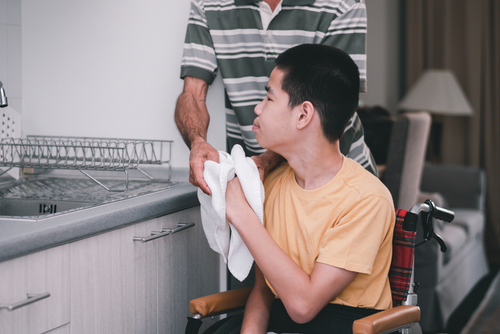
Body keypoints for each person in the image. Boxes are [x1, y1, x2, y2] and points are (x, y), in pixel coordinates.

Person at [221, 44, 395, 333]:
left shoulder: (367, 199)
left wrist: (240, 213)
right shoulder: (273, 184)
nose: (257, 108)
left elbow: (303, 307)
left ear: (303, 115)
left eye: (268, 97)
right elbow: (264, 289)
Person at [175, 0, 377, 197]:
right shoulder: (208, 4)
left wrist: (266, 161)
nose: (257, 109)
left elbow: (334, 102)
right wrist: (197, 142)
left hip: (334, 179)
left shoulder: (343, 4)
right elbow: (193, 93)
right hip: (259, 181)